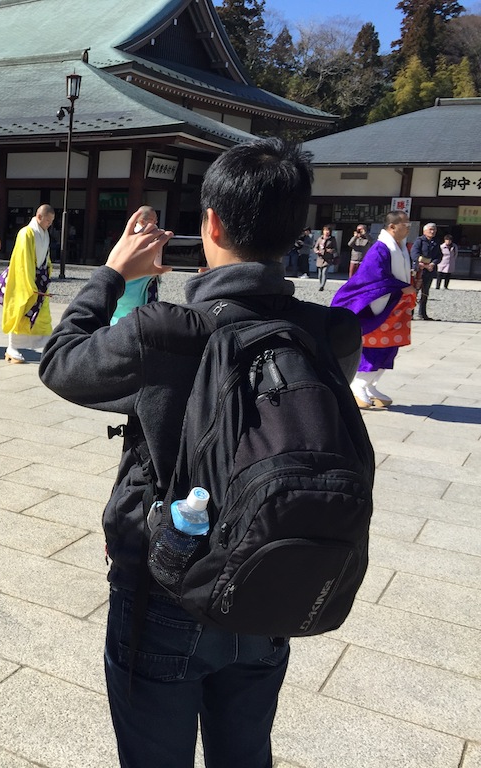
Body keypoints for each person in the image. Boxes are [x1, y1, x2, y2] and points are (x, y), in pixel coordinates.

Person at [38, 138, 361, 768]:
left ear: (210, 223)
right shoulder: (330, 335)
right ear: (299, 230)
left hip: (164, 584)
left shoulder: (163, 333)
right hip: (272, 580)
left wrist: (112, 275)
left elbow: (61, 363)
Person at [331, 211, 416, 409]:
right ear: (392, 226)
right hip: (381, 307)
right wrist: (401, 286)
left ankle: (370, 385)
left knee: (389, 348)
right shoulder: (380, 249)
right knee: (375, 347)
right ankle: (358, 384)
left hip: (396, 305)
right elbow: (372, 276)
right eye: (405, 223)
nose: (409, 227)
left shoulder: (400, 247)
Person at [0, 204, 55, 363]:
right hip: (26, 279)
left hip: (40, 278)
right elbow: (23, 261)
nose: (50, 224)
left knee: (42, 315)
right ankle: (12, 347)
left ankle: (46, 345)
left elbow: (46, 257)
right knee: (21, 311)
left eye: (51, 221)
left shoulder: (44, 233)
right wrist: (29, 284)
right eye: (48, 220)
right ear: (39, 217)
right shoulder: (26, 233)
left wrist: (47, 273)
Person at [111, 206, 160, 325]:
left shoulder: (134, 237)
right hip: (135, 283)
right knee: (134, 316)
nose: (156, 223)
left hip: (136, 282)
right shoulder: (140, 237)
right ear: (142, 221)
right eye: (153, 220)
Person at [411, 222, 441, 320]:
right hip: (419, 270)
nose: (432, 232)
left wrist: (432, 264)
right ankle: (410, 313)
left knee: (425, 292)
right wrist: (422, 264)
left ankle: (422, 314)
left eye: (434, 230)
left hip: (430, 270)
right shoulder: (419, 241)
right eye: (430, 230)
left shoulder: (436, 242)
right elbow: (414, 254)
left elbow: (439, 256)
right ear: (425, 231)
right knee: (414, 292)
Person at [314, 225, 337, 291]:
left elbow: (335, 249)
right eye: (325, 230)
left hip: (328, 258)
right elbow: (315, 247)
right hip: (320, 258)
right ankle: (320, 283)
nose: (326, 232)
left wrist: (330, 250)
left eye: (328, 231)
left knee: (324, 272)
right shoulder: (320, 238)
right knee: (320, 274)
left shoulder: (332, 239)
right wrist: (316, 251)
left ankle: (322, 286)